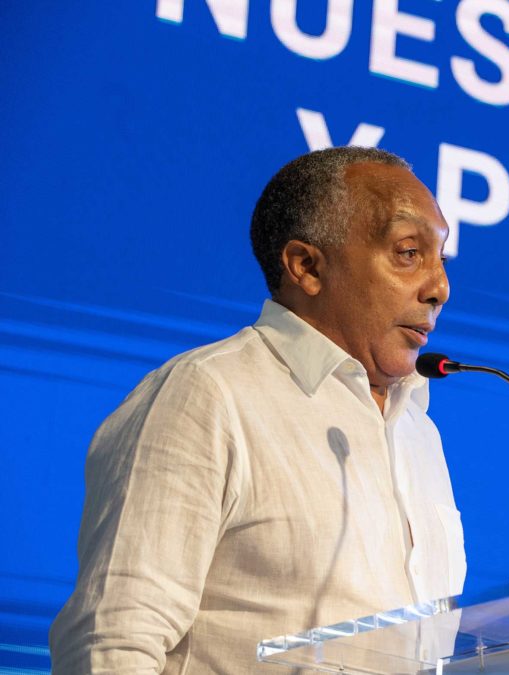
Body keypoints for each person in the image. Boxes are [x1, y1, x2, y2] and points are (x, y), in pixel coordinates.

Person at [49, 147, 467, 673]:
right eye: (408, 253)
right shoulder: (208, 395)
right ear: (306, 267)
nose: (440, 288)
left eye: (441, 260)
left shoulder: (417, 431)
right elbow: (111, 643)